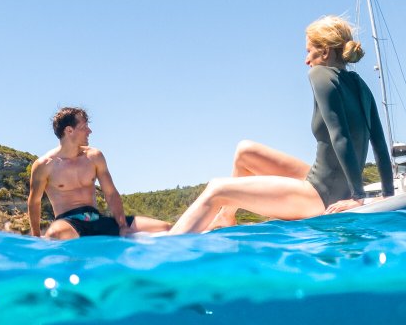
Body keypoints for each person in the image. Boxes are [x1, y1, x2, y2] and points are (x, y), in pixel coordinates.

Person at [169, 15, 395, 234]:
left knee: (217, 189)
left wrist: (357, 197)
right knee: (245, 151)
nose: (306, 59)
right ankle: (226, 216)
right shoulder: (360, 85)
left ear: (325, 52)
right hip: (328, 181)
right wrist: (387, 193)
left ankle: (163, 254)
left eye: (309, 51)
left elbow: (340, 136)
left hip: (319, 195)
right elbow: (380, 145)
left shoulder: (320, 74)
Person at [27, 107, 171, 239]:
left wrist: (122, 225)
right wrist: (36, 237)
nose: (90, 131)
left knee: (167, 227)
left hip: (97, 219)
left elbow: (111, 193)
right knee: (55, 233)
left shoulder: (94, 156)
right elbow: (34, 202)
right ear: (69, 131)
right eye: (84, 127)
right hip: (69, 222)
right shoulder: (44, 165)